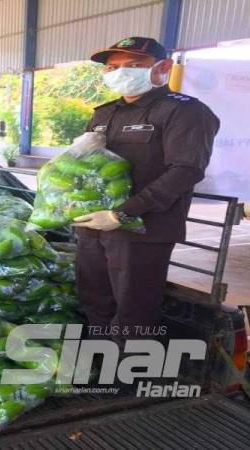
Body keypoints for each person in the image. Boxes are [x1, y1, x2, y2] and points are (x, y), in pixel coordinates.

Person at [72, 37, 220, 340]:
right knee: (94, 298)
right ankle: (101, 361)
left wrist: (121, 214)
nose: (120, 72)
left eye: (134, 65)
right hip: (93, 224)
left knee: (133, 310)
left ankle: (128, 376)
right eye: (113, 67)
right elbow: (84, 164)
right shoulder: (104, 113)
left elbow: (186, 170)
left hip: (143, 230)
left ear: (162, 67)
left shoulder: (185, 112)